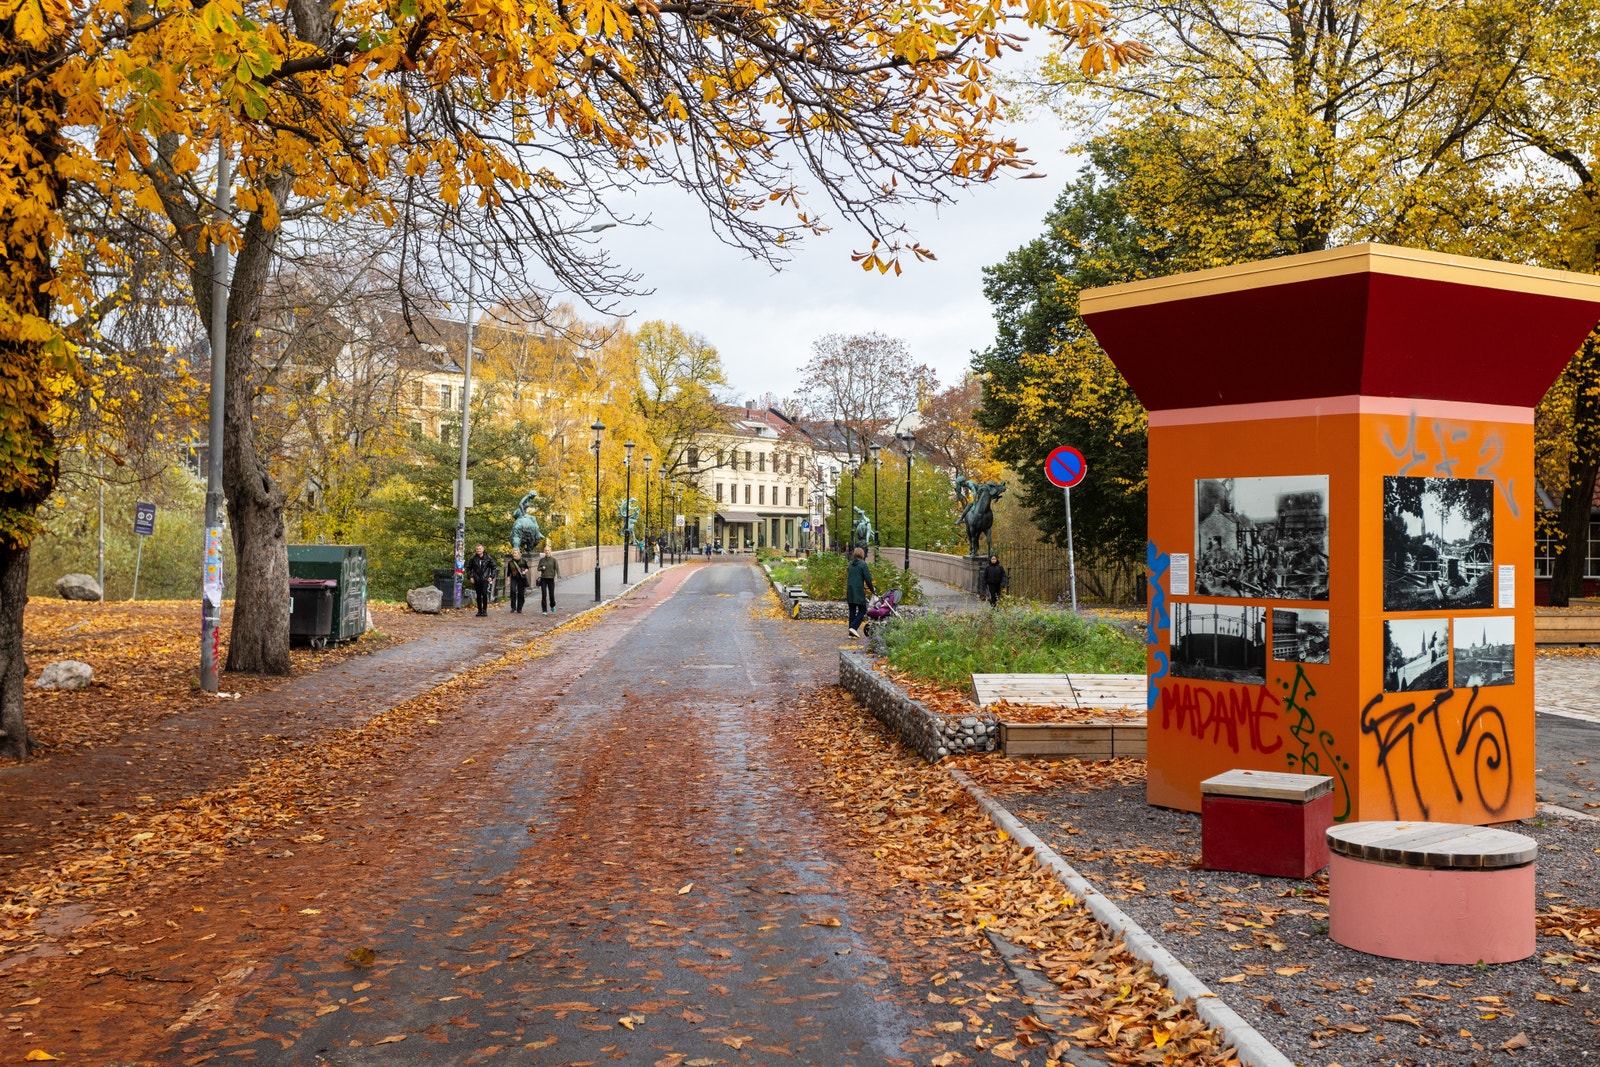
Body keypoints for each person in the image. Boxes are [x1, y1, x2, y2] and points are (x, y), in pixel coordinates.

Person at [846, 546, 875, 638]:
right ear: (862, 554)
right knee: (863, 610)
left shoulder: (850, 564)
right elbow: (868, 579)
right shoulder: (863, 565)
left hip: (850, 590)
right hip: (858, 590)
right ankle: (853, 627)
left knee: (852, 610)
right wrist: (872, 589)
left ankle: (851, 633)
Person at [465, 544, 496, 617]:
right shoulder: (473, 559)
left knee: (484, 593)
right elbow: (468, 568)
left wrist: (491, 576)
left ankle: (484, 610)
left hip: (485, 579)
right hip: (476, 579)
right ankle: (479, 610)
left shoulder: (488, 558)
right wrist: (470, 577)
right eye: (477, 549)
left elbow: (494, 567)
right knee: (478, 595)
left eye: (480, 549)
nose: (478, 550)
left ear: (483, 549)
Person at [536, 547, 560, 614]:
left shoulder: (553, 560)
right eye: (546, 550)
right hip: (543, 578)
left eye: (548, 550)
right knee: (544, 594)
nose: (547, 552)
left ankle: (552, 605)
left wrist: (558, 575)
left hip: (551, 579)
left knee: (551, 595)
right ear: (544, 551)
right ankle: (544, 610)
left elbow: (557, 568)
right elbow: (538, 568)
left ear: (550, 551)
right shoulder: (542, 560)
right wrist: (542, 568)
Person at [506, 548, 529, 614]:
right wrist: (508, 581)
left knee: (520, 593)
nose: (514, 554)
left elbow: (527, 568)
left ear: (519, 554)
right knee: (513, 591)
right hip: (514, 578)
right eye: (513, 553)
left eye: (515, 553)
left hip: (521, 578)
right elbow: (508, 572)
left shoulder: (523, 561)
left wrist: (525, 571)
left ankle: (519, 608)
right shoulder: (510, 562)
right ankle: (513, 607)